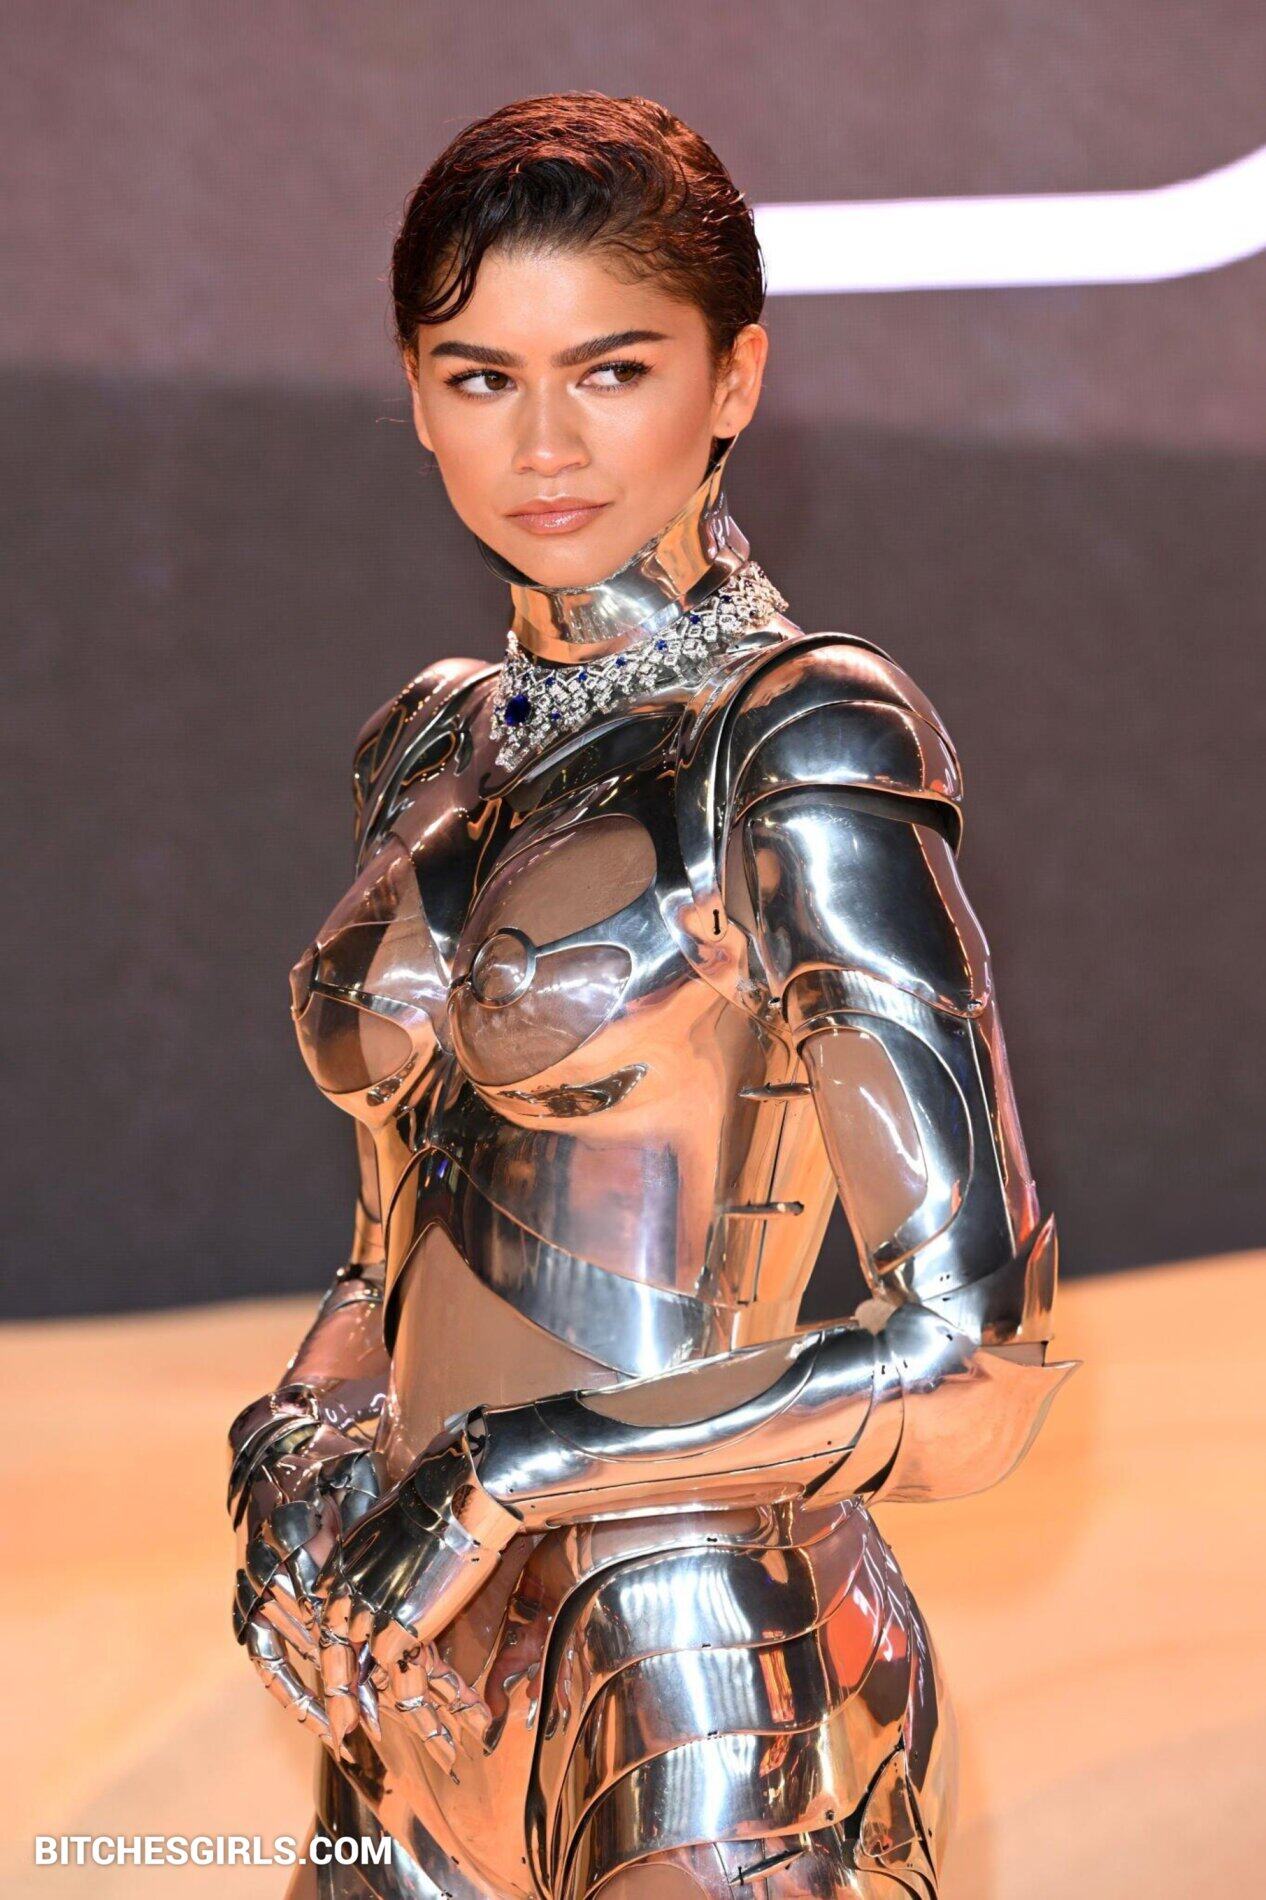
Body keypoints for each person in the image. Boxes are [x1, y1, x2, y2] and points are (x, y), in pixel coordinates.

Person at [226, 92, 1076, 1899]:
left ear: (735, 377)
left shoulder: (798, 738)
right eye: (479, 378)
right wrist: (293, 1434)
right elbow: (391, 1257)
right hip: (411, 1679)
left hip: (696, 1663)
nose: (543, 444)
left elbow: (970, 1358)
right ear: (414, 395)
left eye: (610, 371)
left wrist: (496, 1477)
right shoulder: (428, 746)